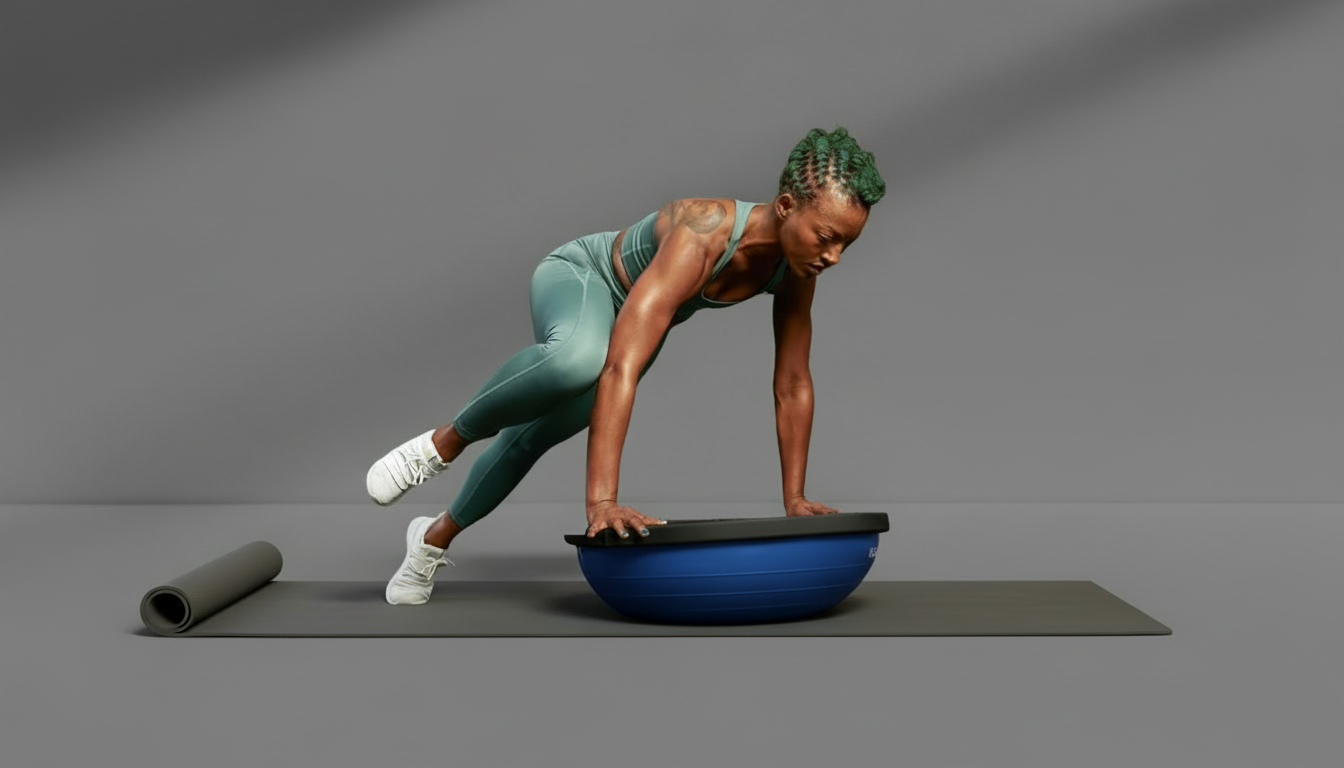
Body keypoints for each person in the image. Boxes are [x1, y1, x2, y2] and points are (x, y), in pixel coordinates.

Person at [367, 126, 886, 605]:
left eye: (847, 244)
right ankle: (444, 443)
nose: (834, 256)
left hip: (638, 326)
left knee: (531, 438)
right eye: (826, 237)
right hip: (585, 277)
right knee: (577, 360)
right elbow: (618, 369)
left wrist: (794, 497)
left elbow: (792, 384)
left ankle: (430, 540)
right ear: (787, 205)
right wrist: (602, 502)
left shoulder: (797, 270)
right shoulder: (703, 231)